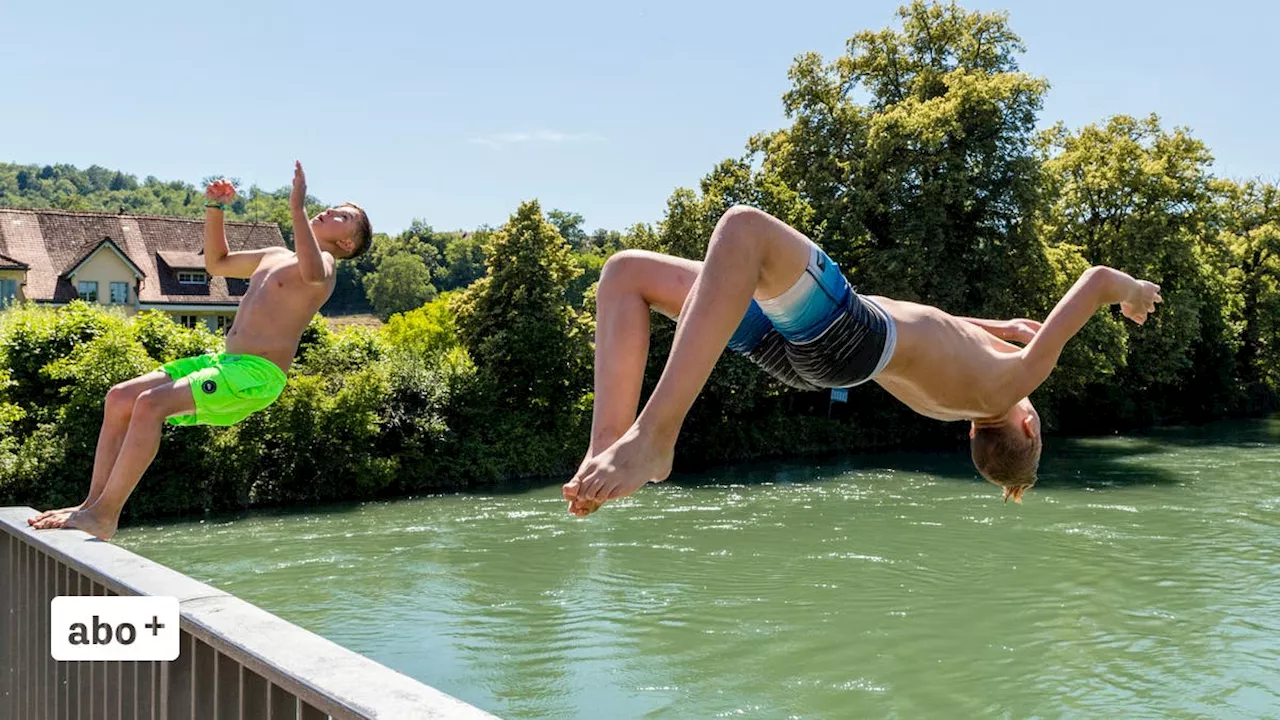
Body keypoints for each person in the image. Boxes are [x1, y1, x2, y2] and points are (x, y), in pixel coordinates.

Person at [563, 205, 1161, 515]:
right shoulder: (957, 403)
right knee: (627, 274)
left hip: (847, 332)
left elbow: (1098, 280)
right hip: (813, 359)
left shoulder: (1017, 380)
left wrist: (1133, 293)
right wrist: (998, 326)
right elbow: (939, 332)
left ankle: (653, 437)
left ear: (1028, 422)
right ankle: (602, 451)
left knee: (744, 229)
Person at [28, 162, 373, 540]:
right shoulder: (275, 254)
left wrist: (297, 209)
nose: (330, 211)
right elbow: (217, 264)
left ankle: (106, 516)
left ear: (347, 244)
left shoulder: (324, 264)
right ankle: (90, 507)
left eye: (342, 216)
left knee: (149, 405)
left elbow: (312, 275)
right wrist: (215, 209)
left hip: (255, 376)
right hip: (223, 363)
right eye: (334, 207)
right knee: (121, 397)